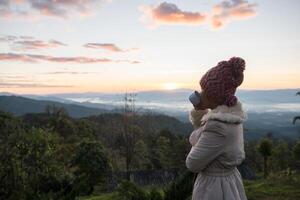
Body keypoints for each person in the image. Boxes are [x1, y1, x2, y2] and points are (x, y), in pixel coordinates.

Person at [185, 57, 248, 200]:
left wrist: (197, 135)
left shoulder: (217, 126)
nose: (200, 95)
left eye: (204, 92)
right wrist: (200, 113)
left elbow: (192, 163)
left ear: (215, 98)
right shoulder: (232, 118)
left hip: (214, 188)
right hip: (230, 182)